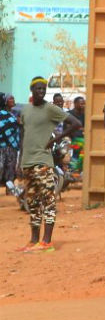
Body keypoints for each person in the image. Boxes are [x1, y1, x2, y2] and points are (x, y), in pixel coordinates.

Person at [18, 76, 83, 252]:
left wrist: (56, 138)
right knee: (31, 202)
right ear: (32, 91)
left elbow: (76, 123)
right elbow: (23, 134)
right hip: (28, 163)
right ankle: (33, 240)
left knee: (48, 201)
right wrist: (20, 162)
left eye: (43, 89)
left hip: (44, 162)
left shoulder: (50, 109)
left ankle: (47, 241)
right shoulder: (26, 110)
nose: (41, 92)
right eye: (38, 89)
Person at [0, 93, 21, 192]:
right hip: (3, 146)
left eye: (13, 98)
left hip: (13, 146)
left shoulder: (15, 113)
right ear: (5, 101)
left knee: (11, 168)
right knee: (1, 167)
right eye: (10, 98)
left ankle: (9, 189)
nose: (13, 100)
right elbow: (3, 128)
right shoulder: (2, 113)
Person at [67, 96, 86, 177]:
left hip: (81, 139)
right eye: (81, 103)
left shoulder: (84, 115)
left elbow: (86, 128)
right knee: (81, 146)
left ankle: (77, 169)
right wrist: (80, 129)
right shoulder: (69, 114)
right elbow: (69, 129)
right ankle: (74, 170)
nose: (82, 105)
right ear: (75, 104)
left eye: (83, 104)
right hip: (72, 139)